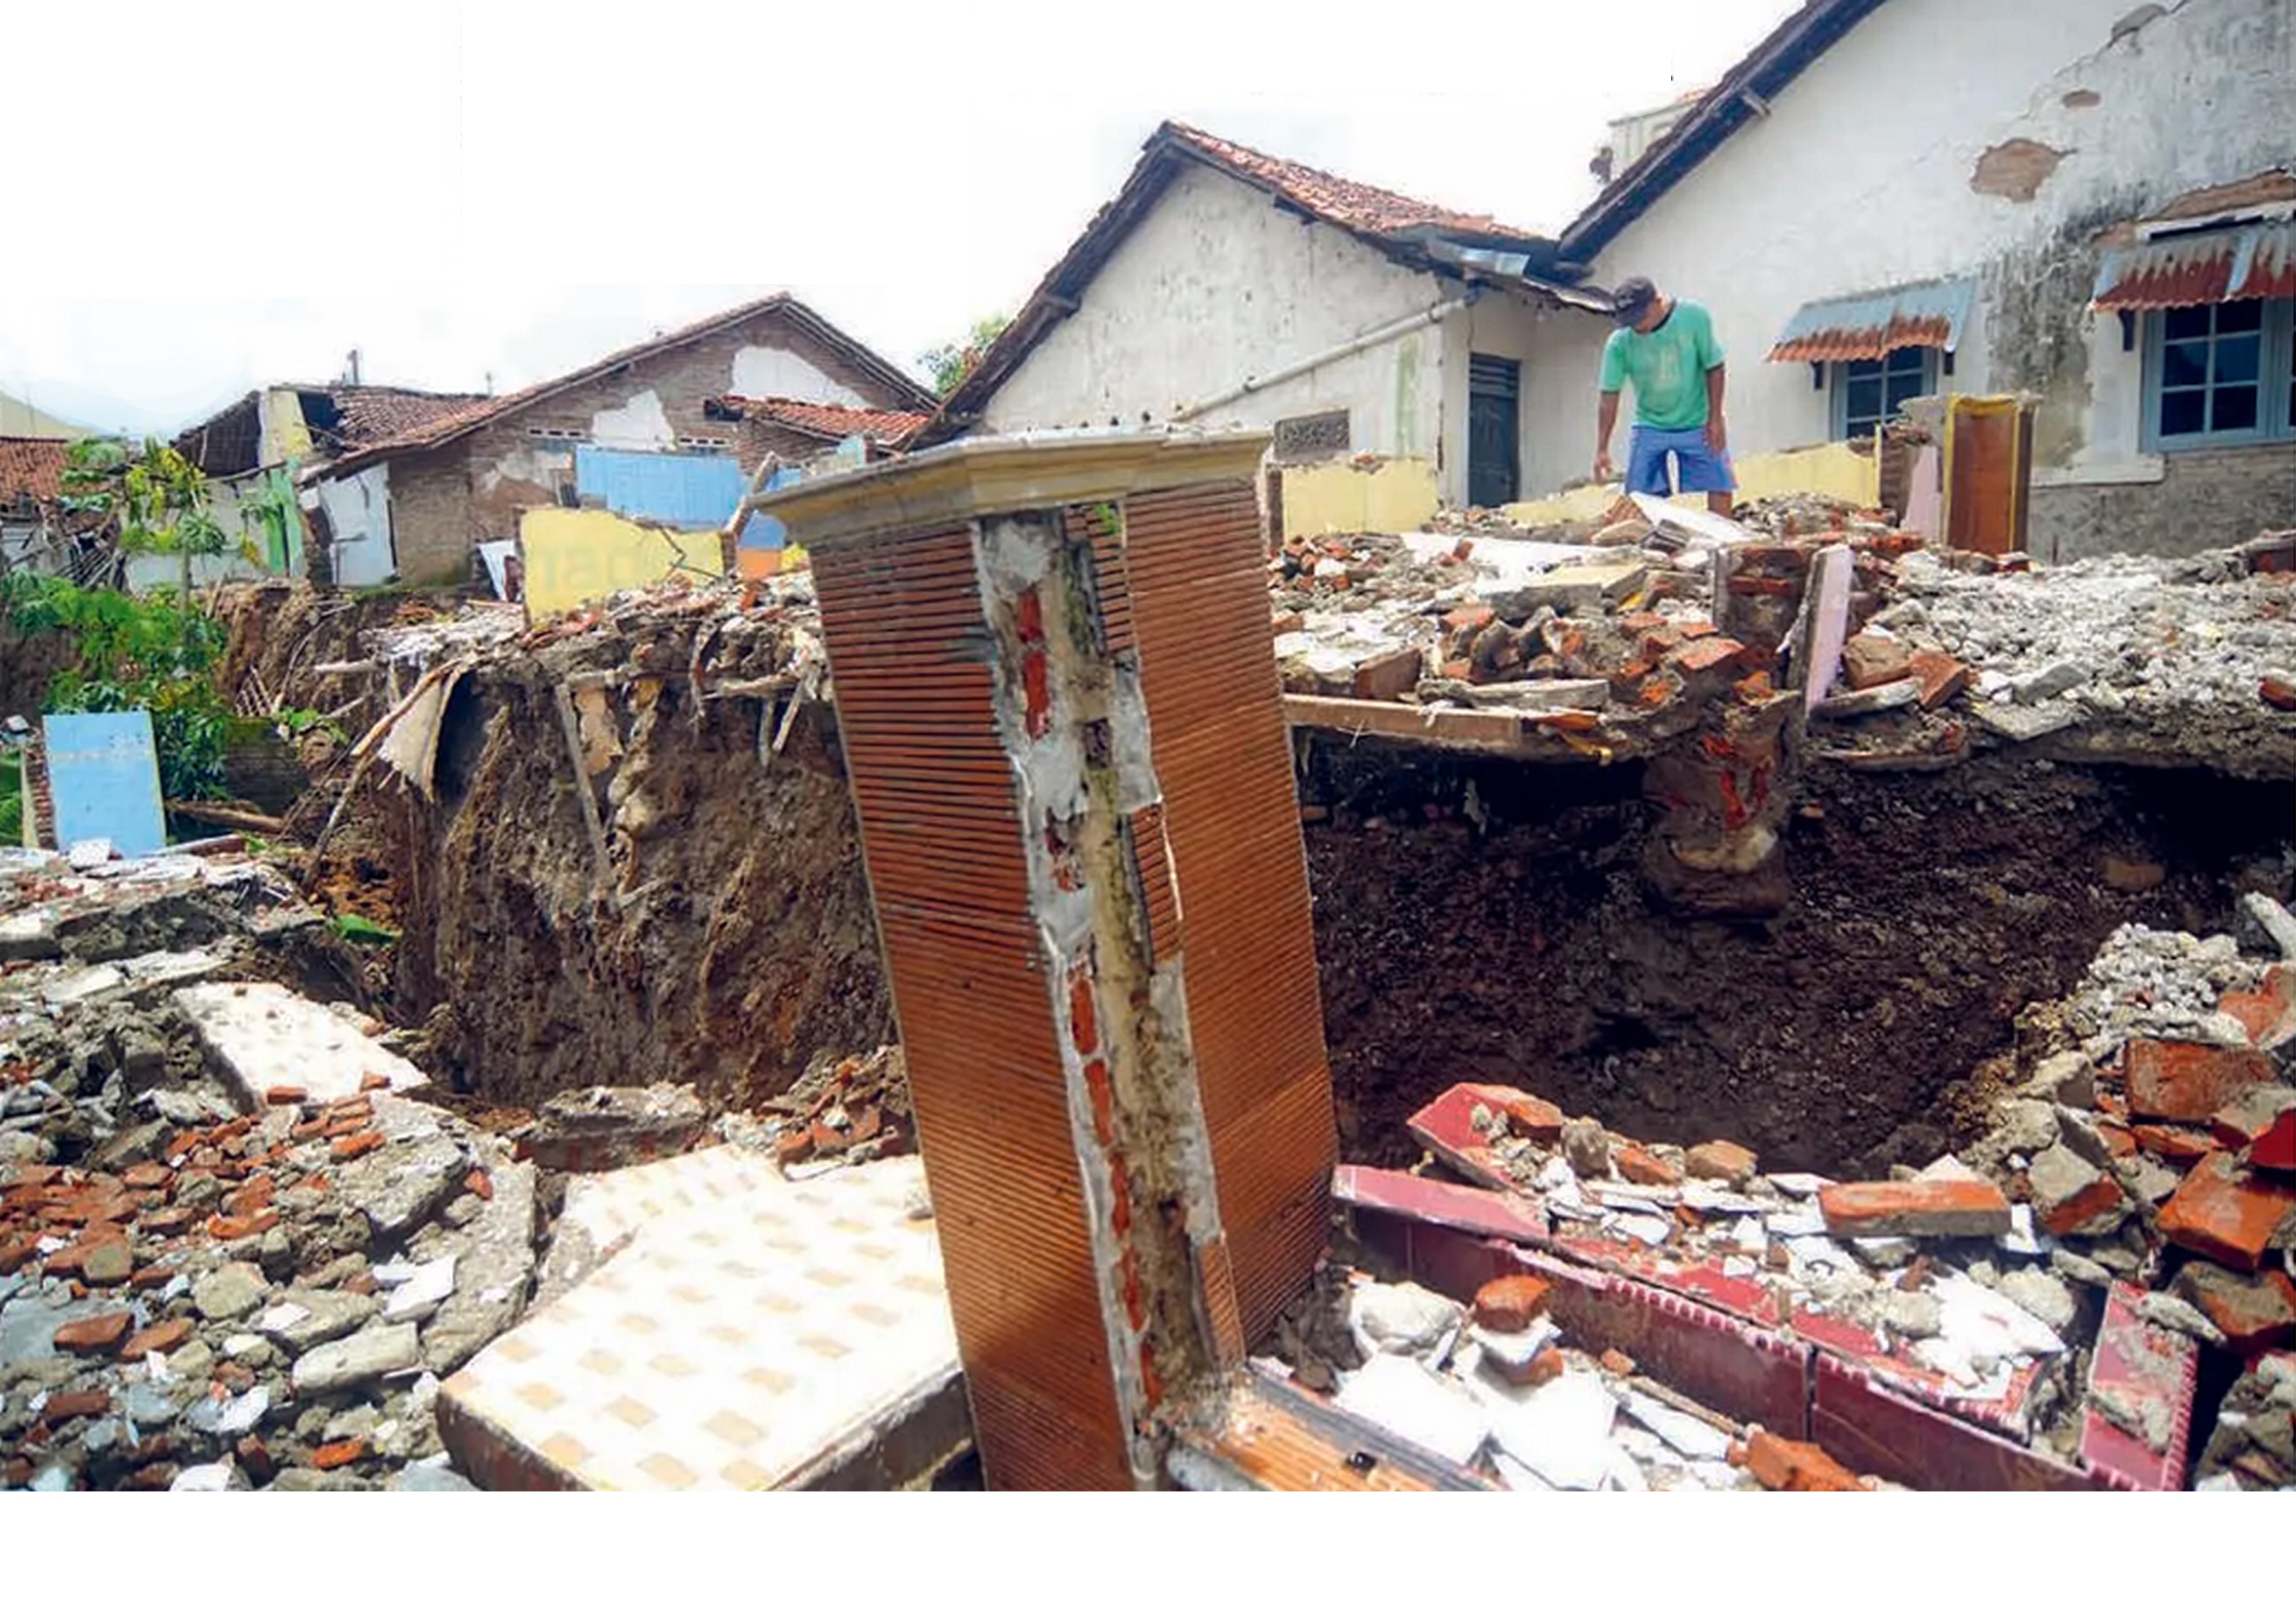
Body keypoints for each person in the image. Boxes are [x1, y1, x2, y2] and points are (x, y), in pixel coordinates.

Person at [1592, 276, 1736, 517]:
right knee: (1637, 497)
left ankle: (1722, 544)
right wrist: (1602, 448)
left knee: (1720, 484)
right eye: (1631, 322)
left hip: (1697, 419)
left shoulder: (1693, 317)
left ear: (1657, 303)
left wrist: (1715, 418)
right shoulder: (1619, 343)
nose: (1638, 327)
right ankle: (1649, 550)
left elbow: (1715, 366)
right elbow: (1609, 396)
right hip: (1651, 424)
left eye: (1641, 318)